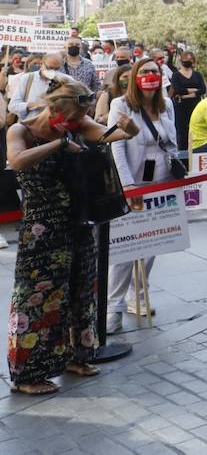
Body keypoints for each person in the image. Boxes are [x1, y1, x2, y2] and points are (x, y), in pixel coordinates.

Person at [7, 81, 135, 394]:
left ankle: (76, 357)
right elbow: (18, 161)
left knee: (81, 291)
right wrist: (59, 144)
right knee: (38, 298)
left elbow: (110, 135)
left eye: (81, 116)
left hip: (79, 222)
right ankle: (28, 375)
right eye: (72, 115)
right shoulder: (20, 131)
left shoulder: (77, 123)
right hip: (42, 230)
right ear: (52, 107)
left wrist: (129, 130)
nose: (76, 121)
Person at [104, 58, 178, 333]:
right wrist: (128, 186)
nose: (150, 76)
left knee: (152, 244)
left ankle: (139, 295)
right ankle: (114, 308)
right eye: (145, 71)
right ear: (134, 76)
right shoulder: (120, 105)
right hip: (134, 183)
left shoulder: (167, 104)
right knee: (125, 248)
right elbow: (117, 148)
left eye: (155, 72)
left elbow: (172, 141)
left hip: (162, 183)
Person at [168, 49, 205, 162]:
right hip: (181, 107)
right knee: (183, 133)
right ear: (181, 61)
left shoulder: (197, 74)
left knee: (196, 131)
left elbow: (202, 89)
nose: (188, 62)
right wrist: (194, 91)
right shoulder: (176, 75)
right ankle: (184, 160)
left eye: (190, 60)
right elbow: (177, 89)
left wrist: (186, 94)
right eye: (185, 60)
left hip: (196, 106)